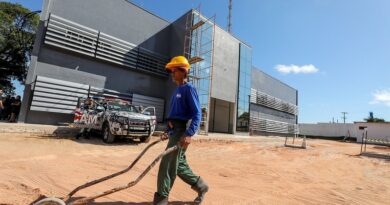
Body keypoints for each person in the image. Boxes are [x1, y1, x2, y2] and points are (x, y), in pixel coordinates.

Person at [153, 56, 209, 205]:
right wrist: (167, 130)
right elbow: (174, 116)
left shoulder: (188, 89)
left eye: (174, 70)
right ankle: (201, 186)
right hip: (174, 131)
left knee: (167, 164)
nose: (172, 73)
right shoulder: (177, 90)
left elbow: (197, 113)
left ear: (183, 71)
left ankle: (161, 199)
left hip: (181, 133)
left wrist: (189, 133)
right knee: (178, 165)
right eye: (171, 70)